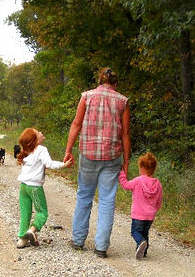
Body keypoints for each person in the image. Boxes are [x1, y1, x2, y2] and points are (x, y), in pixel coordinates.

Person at [64, 67, 130, 258]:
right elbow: (125, 134)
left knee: (84, 196)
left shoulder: (87, 96)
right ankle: (101, 247)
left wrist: (68, 149)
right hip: (112, 157)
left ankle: (77, 241)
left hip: (89, 154)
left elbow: (76, 124)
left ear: (100, 82)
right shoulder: (122, 101)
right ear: (115, 84)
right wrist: (126, 160)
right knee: (107, 200)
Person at [16, 128, 72, 248]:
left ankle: (22, 239)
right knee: (42, 212)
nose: (41, 133)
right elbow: (49, 164)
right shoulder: (41, 149)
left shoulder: (26, 150)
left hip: (23, 187)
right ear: (35, 140)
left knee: (25, 213)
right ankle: (32, 230)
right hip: (35, 187)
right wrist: (64, 165)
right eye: (38, 133)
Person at [119, 152, 162, 260]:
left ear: (142, 167)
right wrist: (155, 209)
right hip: (150, 215)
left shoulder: (138, 181)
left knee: (135, 232)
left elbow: (125, 185)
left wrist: (122, 173)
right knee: (145, 232)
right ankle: (143, 252)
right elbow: (159, 200)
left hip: (138, 214)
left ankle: (141, 243)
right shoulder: (157, 184)